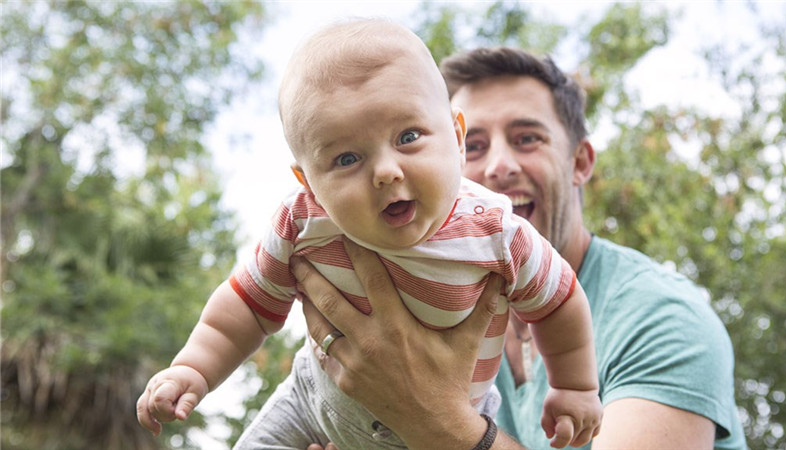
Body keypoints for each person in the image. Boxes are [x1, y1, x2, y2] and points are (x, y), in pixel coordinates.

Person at [136, 21, 602, 449]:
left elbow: (559, 302)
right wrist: (193, 367)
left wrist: (573, 385)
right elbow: (244, 307)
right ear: (308, 182)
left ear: (456, 139)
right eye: (345, 159)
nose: (384, 171)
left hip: (436, 436)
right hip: (311, 406)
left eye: (408, 137)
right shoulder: (302, 222)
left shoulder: (498, 233)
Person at [295, 47, 747, 449]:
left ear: (580, 162)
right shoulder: (404, 305)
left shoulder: (659, 316)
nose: (498, 167)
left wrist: (438, 424)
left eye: (527, 138)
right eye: (472, 146)